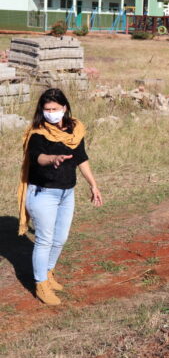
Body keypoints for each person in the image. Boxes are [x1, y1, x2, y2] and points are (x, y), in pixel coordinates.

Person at [17, 88, 103, 305]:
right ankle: (41, 284)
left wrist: (93, 185)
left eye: (55, 108)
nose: (51, 113)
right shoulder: (37, 132)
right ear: (41, 110)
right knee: (45, 240)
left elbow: (81, 158)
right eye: (47, 109)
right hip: (43, 193)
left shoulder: (74, 130)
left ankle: (48, 273)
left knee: (60, 238)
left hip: (67, 192)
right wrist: (52, 158)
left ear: (64, 108)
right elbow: (38, 157)